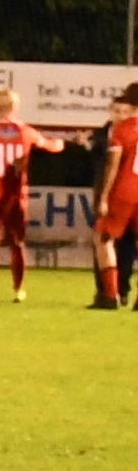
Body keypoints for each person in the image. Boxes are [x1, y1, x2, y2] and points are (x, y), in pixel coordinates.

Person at [0, 88, 66, 304]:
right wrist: (62, 143)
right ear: (15, 107)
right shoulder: (26, 131)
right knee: (17, 243)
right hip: (16, 195)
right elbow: (52, 146)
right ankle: (19, 290)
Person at [89, 85, 138, 310]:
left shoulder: (122, 129)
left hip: (124, 192)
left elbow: (112, 164)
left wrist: (104, 196)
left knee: (103, 238)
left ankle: (110, 296)